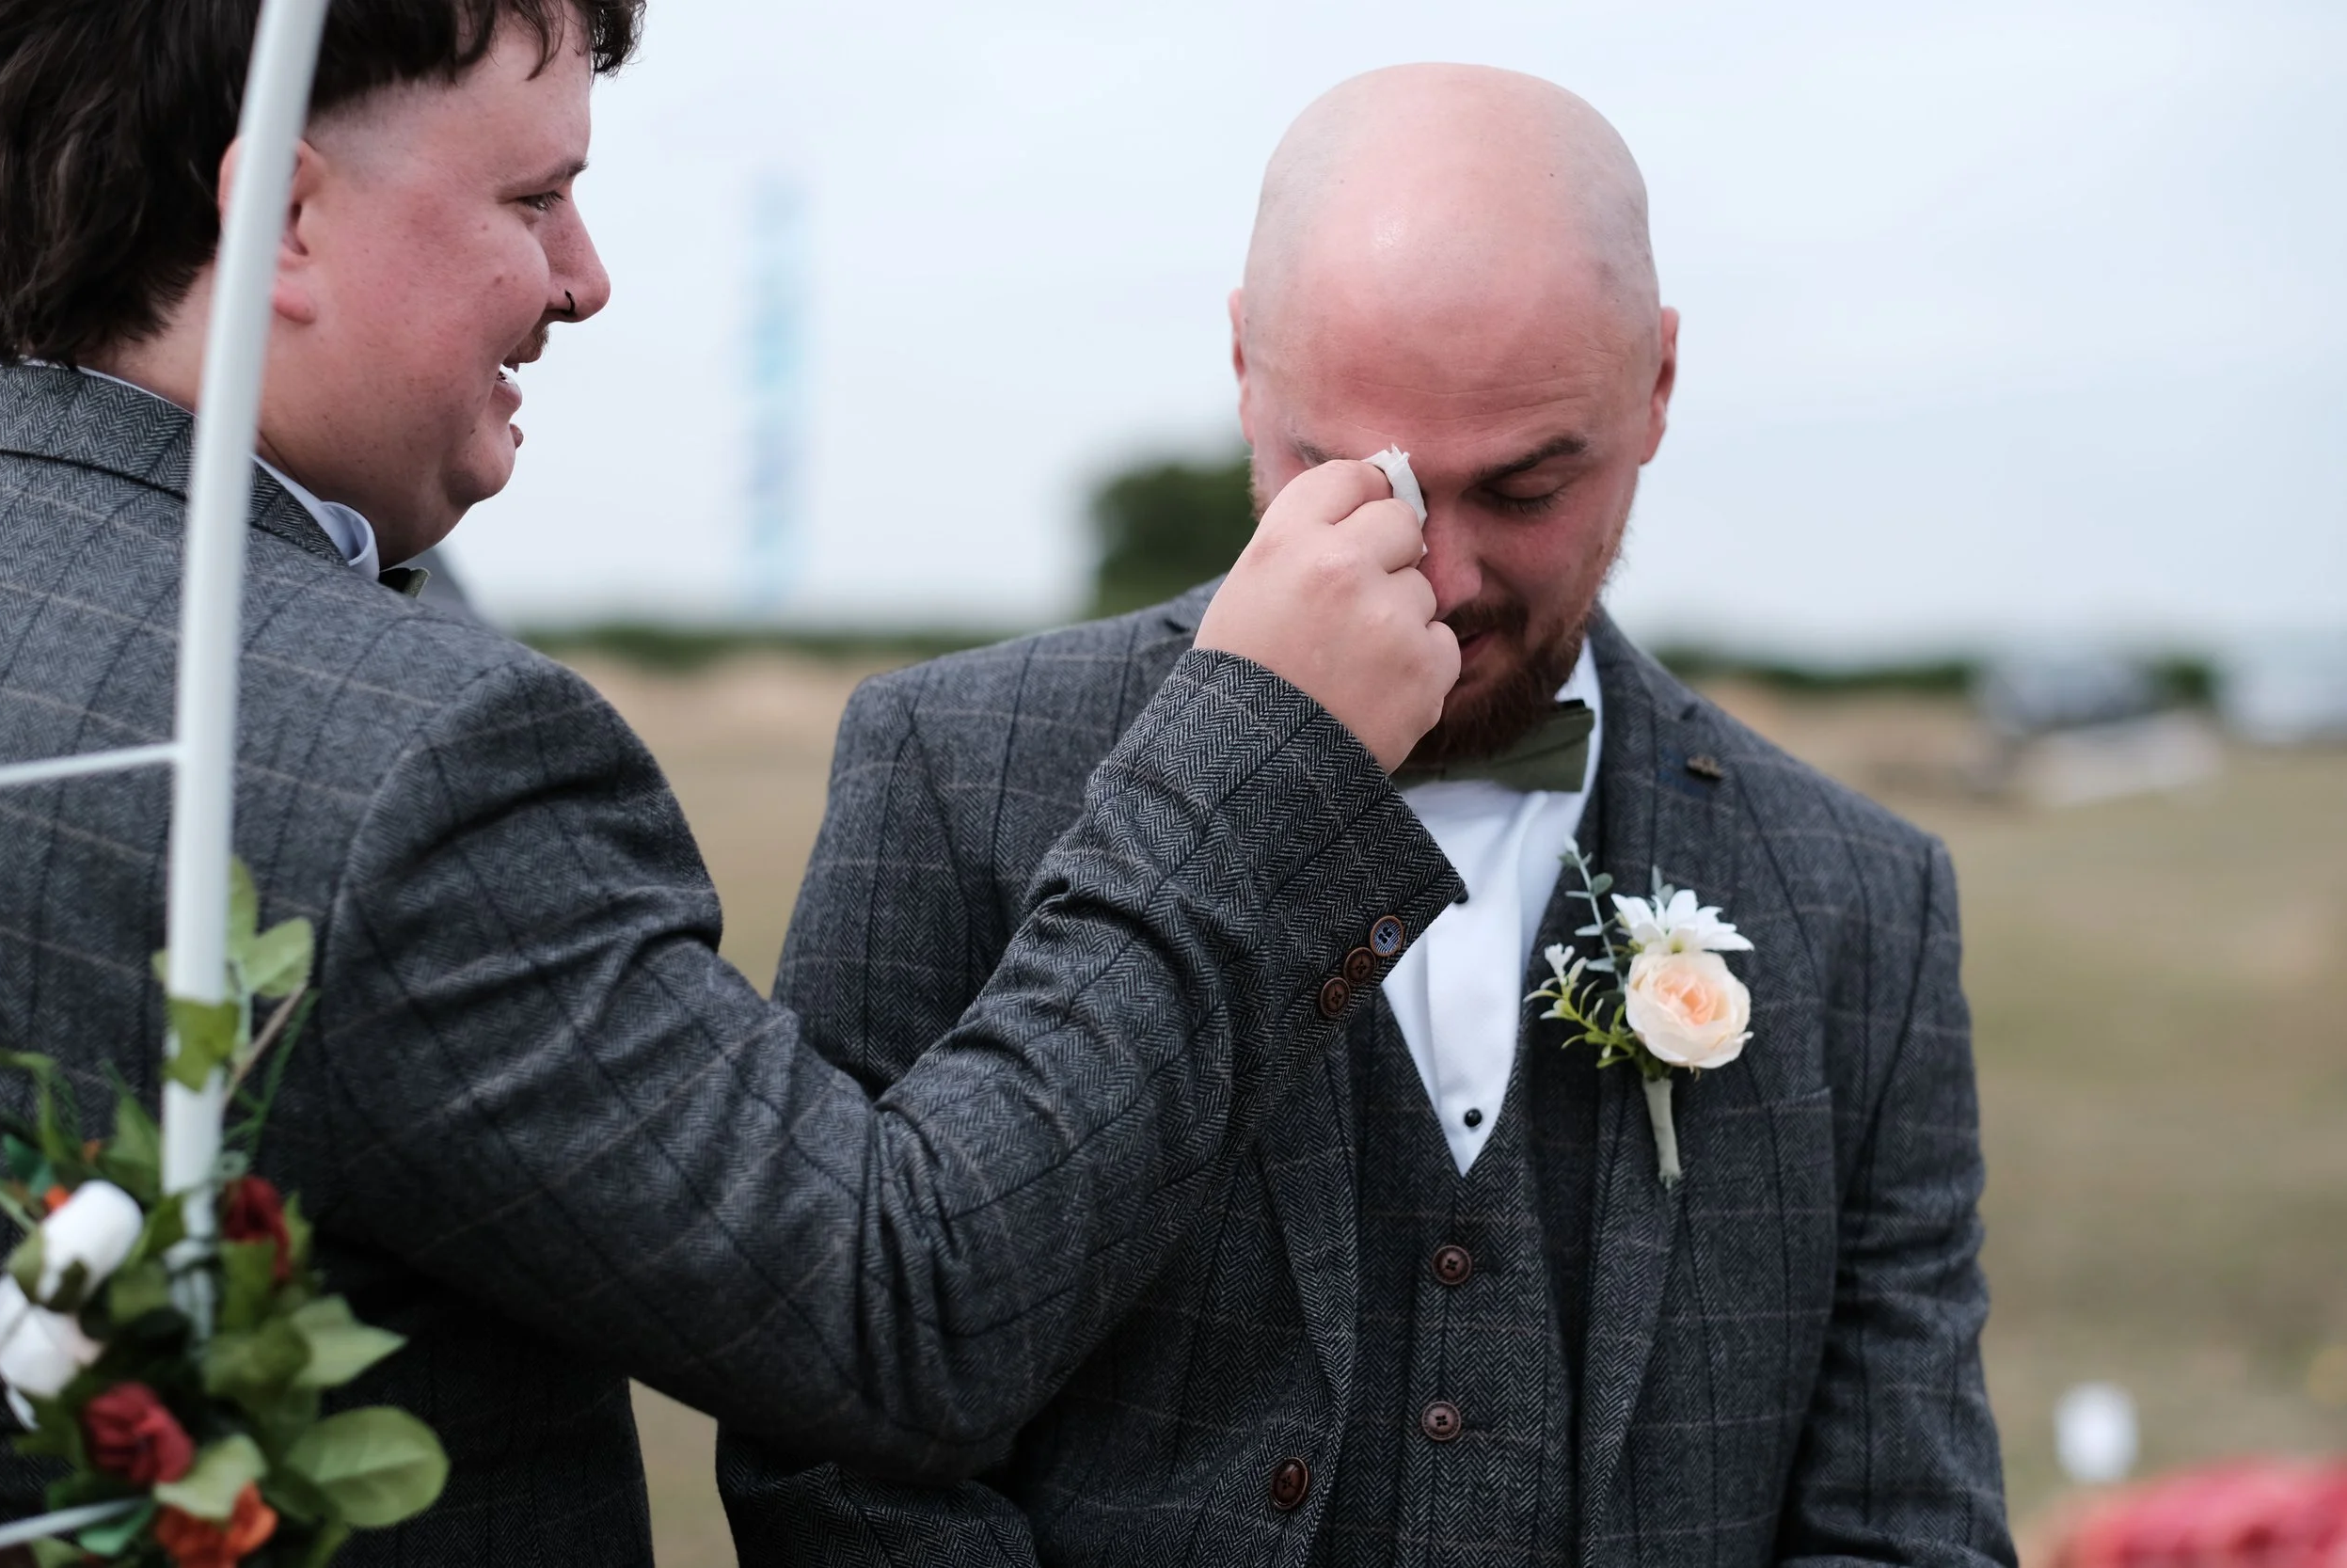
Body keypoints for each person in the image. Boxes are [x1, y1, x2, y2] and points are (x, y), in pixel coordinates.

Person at [0, 4, 1466, 1560]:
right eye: (529, 198)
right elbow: (895, 1311)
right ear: (284, 217)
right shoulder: (417, 760)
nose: (585, 276)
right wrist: (1261, 747)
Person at [718, 65, 2015, 1568]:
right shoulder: (949, 770)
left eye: (1527, 484)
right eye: (1358, 477)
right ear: (1242, 371)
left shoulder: (1865, 898)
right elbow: (830, 1454)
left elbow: (1904, 1521)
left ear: (1656, 387)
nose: (1441, 578)